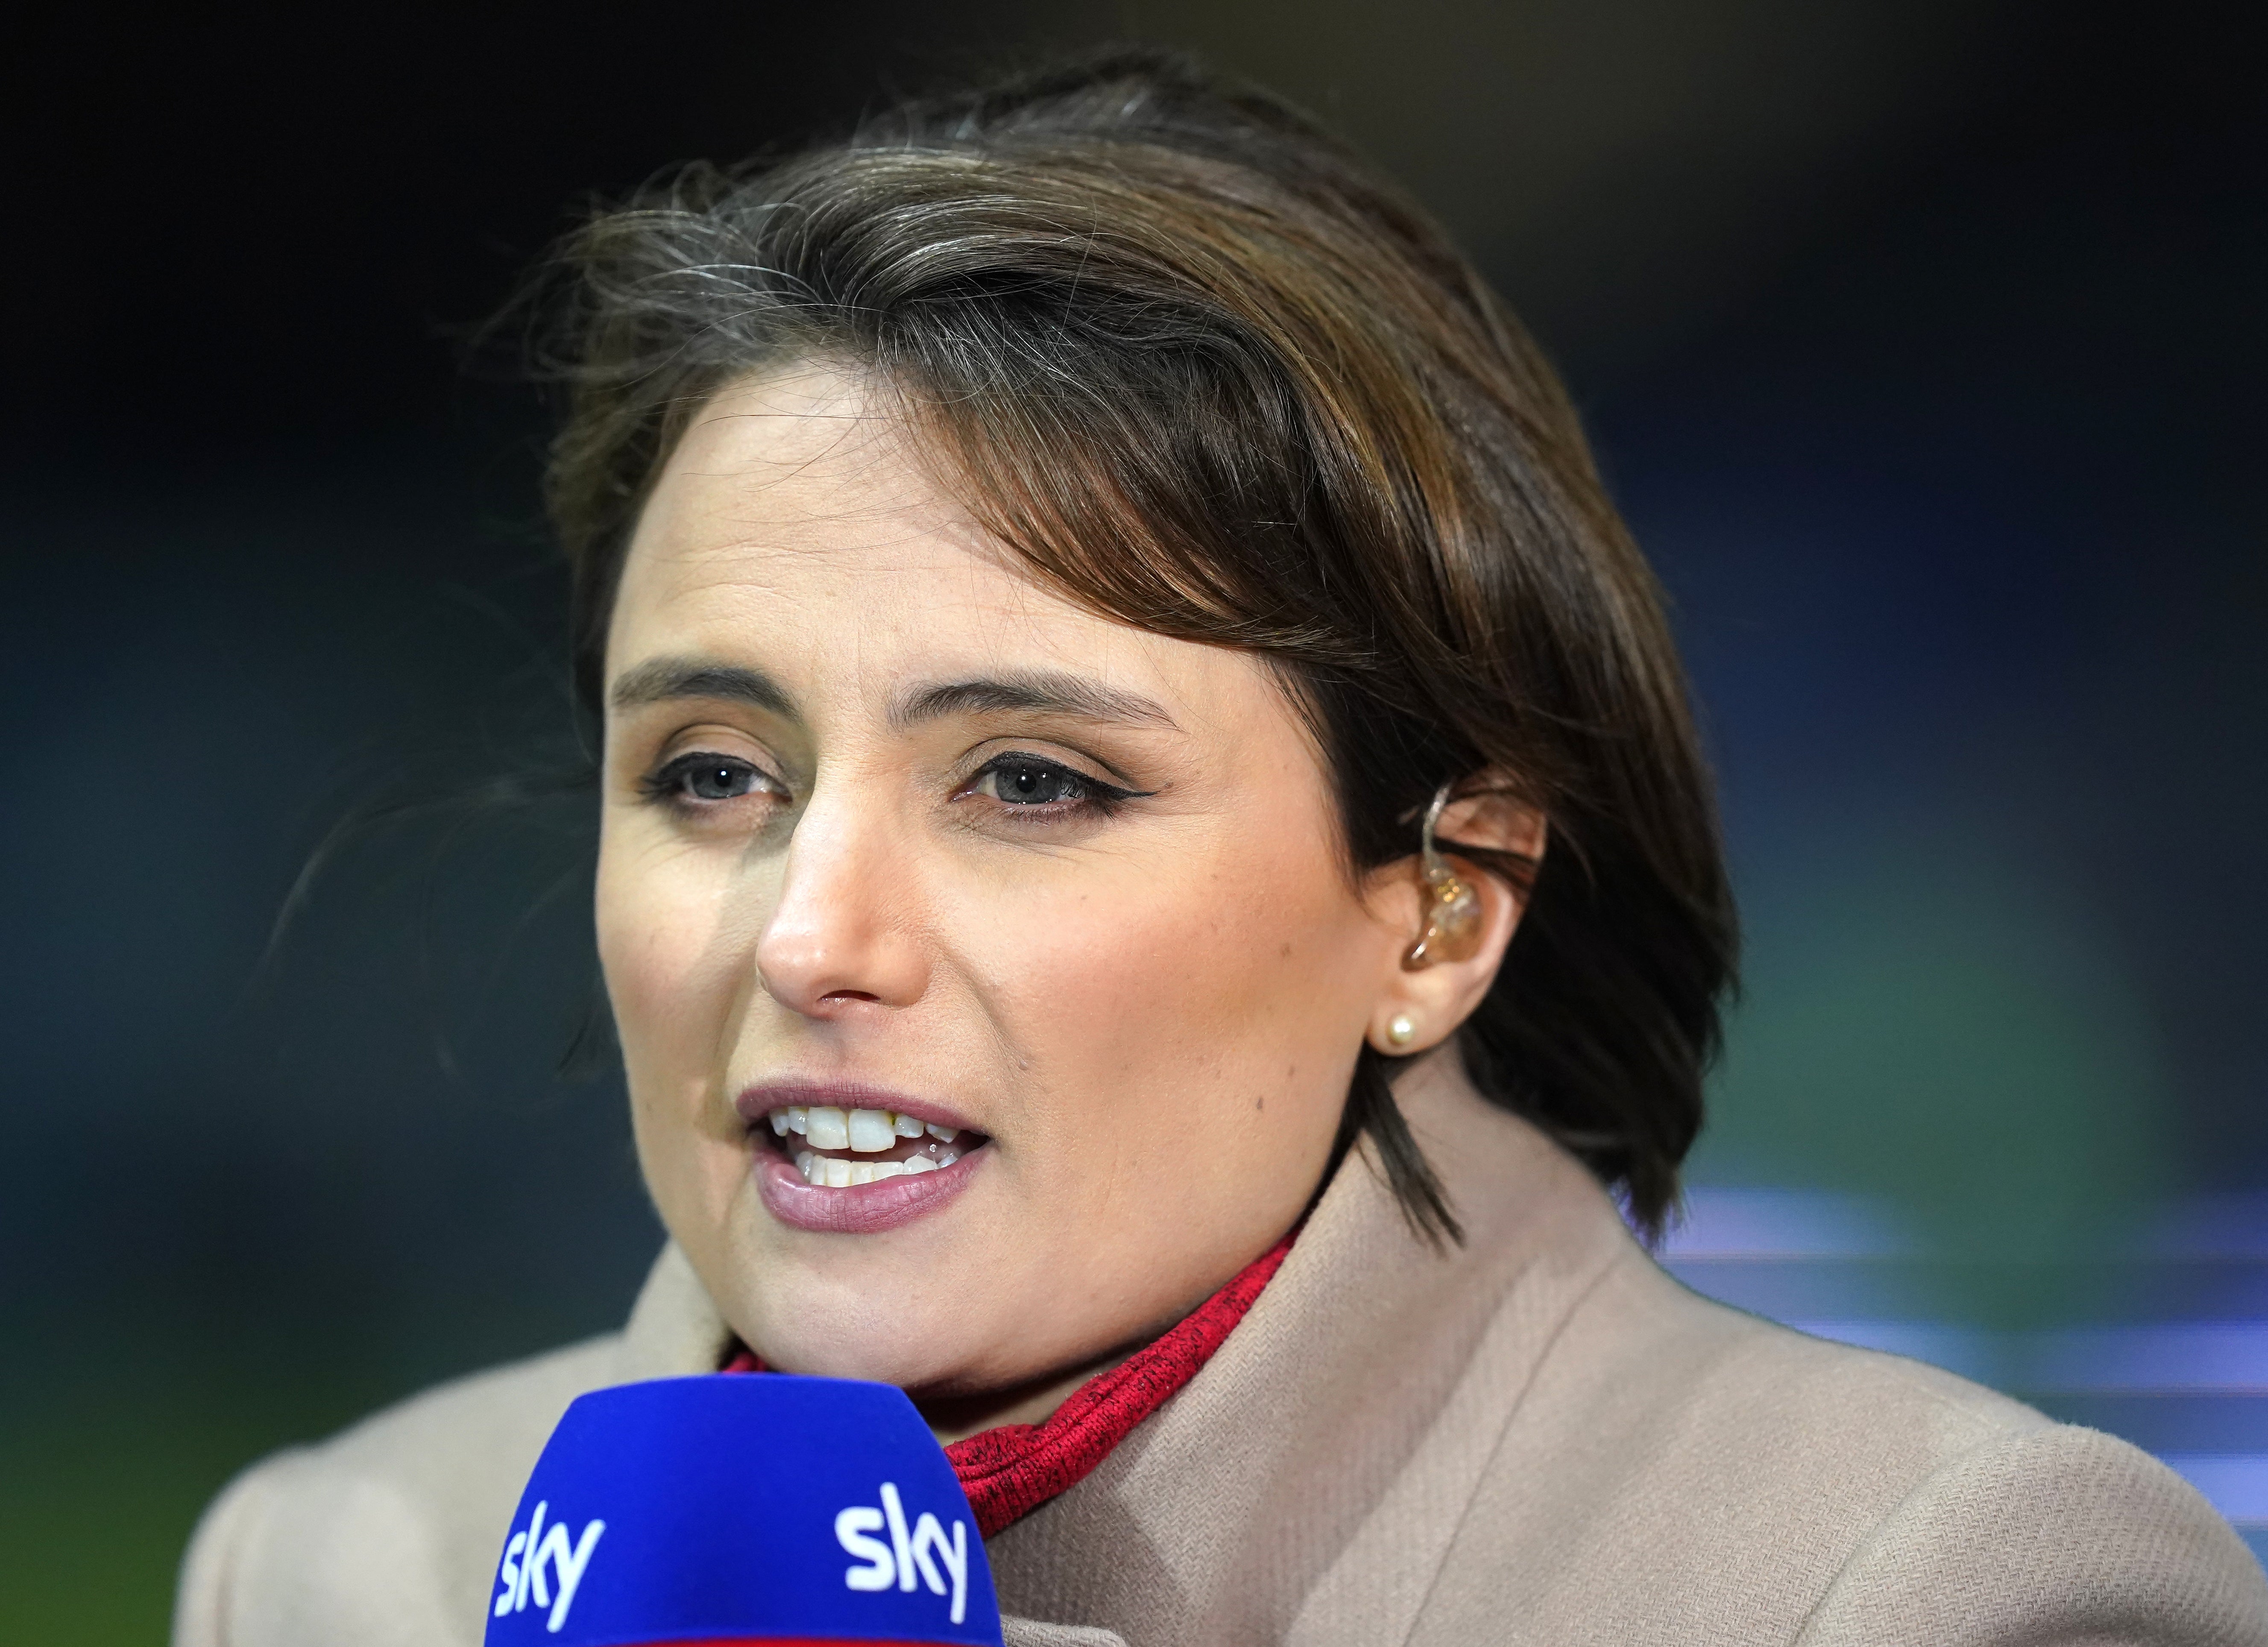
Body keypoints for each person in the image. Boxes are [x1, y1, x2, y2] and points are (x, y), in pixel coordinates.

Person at [173, 49, 2268, 1647]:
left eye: (1030, 783)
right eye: (716, 773)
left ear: (1440, 907)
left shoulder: (1924, 1592)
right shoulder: (346, 1567)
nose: (813, 934)